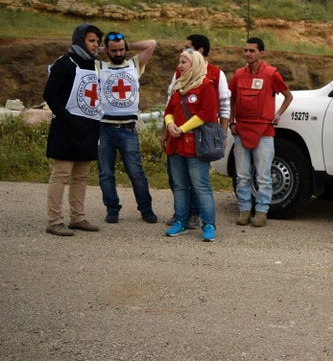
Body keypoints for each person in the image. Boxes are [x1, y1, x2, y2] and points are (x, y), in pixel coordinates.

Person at [43, 23, 105, 236]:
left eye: (97, 41)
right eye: (91, 40)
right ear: (80, 40)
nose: (95, 44)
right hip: (67, 128)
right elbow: (50, 94)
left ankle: (77, 218)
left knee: (81, 176)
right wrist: (66, 118)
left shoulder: (93, 65)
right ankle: (54, 220)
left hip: (88, 128)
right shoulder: (64, 63)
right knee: (61, 175)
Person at [163, 34, 231, 228]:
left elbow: (209, 112)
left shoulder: (209, 82)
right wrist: (169, 127)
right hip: (176, 144)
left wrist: (222, 135)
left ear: (197, 57)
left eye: (184, 61)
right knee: (180, 186)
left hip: (196, 144)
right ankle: (181, 220)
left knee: (200, 186)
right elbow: (169, 109)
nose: (180, 66)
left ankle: (208, 224)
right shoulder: (179, 84)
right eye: (180, 61)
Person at [228, 37, 293, 227]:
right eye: (246, 50)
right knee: (241, 175)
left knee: (264, 176)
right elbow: (231, 99)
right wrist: (231, 122)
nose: (248, 54)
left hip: (264, 131)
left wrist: (278, 114)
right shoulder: (239, 75)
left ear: (262, 53)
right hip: (241, 130)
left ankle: (262, 212)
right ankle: (244, 210)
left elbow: (288, 96)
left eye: (252, 51)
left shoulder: (272, 74)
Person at [97, 32, 158, 224]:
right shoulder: (99, 66)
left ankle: (146, 209)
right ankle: (112, 209)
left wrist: (128, 45)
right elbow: (84, 53)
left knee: (136, 172)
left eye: (121, 49)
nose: (118, 53)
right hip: (104, 128)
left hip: (128, 128)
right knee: (106, 172)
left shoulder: (134, 64)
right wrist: (100, 51)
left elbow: (151, 43)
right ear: (107, 50)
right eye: (113, 50)